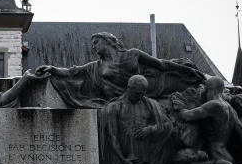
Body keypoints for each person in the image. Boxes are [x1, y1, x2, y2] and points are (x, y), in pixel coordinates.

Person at [36, 32, 205, 108]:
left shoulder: (133, 54)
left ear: (108, 41)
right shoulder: (97, 66)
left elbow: (161, 65)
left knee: (186, 89)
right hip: (125, 99)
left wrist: (185, 70)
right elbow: (73, 71)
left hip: (153, 86)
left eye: (96, 42)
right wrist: (52, 68)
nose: (93, 47)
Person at [172, 77, 242, 164]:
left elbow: (186, 116)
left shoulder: (213, 105)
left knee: (179, 162)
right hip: (228, 159)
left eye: (206, 88)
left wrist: (178, 104)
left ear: (209, 88)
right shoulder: (232, 110)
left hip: (214, 158)